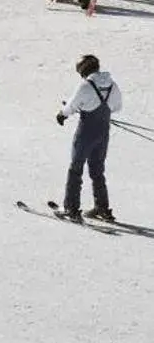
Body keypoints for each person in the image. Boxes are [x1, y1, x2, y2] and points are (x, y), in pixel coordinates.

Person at [57, 53, 122, 222]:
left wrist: (62, 115)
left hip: (85, 133)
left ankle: (71, 208)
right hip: (103, 133)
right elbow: (117, 107)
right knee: (97, 169)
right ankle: (102, 208)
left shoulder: (86, 85)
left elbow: (72, 105)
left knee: (75, 168)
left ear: (83, 70)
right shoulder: (112, 85)